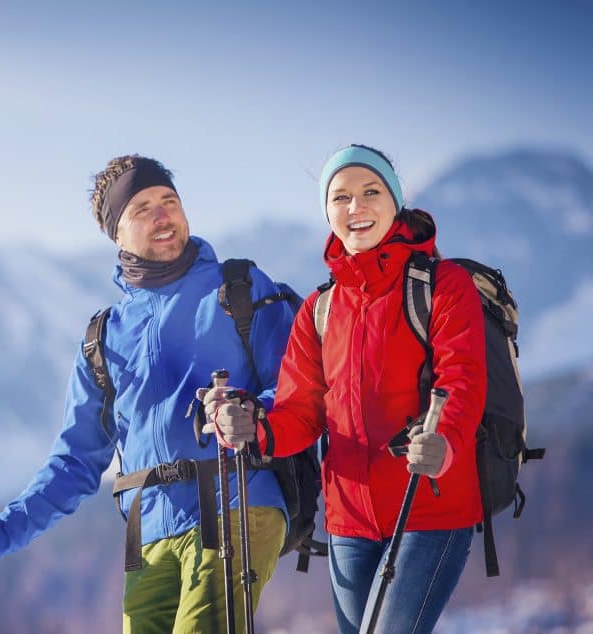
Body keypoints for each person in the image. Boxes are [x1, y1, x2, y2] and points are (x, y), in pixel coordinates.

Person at [0, 154, 295, 633]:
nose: (163, 215)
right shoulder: (104, 339)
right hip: (149, 536)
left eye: (169, 201)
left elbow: (296, 386)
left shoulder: (240, 289)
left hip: (239, 501)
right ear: (116, 235)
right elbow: (74, 463)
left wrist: (253, 413)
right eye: (143, 208)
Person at [205, 144, 486, 633]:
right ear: (327, 212)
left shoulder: (443, 285)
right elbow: (301, 412)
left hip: (429, 506)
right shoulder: (320, 307)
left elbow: (461, 380)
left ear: (394, 201)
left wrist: (445, 442)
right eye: (341, 198)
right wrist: (253, 426)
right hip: (348, 521)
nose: (356, 208)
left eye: (370, 192)